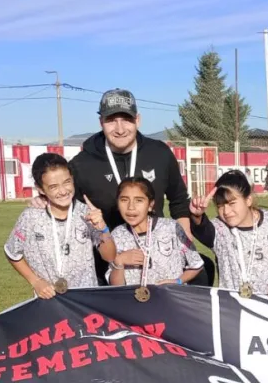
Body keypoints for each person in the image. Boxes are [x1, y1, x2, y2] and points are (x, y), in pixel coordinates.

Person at [32, 89, 212, 287]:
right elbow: (66, 201)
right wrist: (45, 200)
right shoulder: (82, 164)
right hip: (106, 263)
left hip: (158, 258)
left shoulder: (159, 153)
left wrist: (184, 243)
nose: (119, 129)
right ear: (101, 122)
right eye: (111, 120)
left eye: (126, 119)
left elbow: (178, 201)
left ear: (138, 119)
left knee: (201, 276)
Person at [6, 153, 116, 298]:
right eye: (53, 187)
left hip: (86, 302)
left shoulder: (87, 213)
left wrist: (103, 228)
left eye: (67, 182)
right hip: (48, 302)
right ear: (40, 189)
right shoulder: (31, 216)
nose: (63, 191)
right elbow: (12, 252)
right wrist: (35, 281)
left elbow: (110, 256)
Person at [189, 170, 268, 299]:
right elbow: (203, 230)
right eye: (220, 206)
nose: (226, 211)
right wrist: (197, 216)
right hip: (232, 310)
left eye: (232, 203)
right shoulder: (220, 228)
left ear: (248, 200)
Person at [108, 177, 204, 289]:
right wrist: (119, 261)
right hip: (134, 304)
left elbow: (196, 264)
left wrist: (178, 281)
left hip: (170, 302)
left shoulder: (172, 227)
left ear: (150, 205)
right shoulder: (116, 235)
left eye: (139, 200)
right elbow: (115, 286)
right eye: (124, 200)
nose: (131, 207)